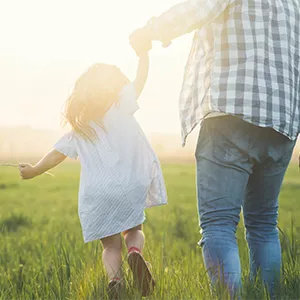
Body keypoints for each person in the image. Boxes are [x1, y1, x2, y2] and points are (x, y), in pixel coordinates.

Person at [130, 0, 300, 298]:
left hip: (231, 112)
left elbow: (196, 9)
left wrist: (149, 31)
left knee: (219, 223)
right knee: (263, 223)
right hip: (282, 120)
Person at [18, 51, 167, 299]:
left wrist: (34, 170)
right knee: (133, 229)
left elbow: (57, 154)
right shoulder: (123, 105)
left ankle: (115, 279)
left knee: (109, 244)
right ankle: (135, 252)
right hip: (129, 185)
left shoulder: (81, 127)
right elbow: (141, 79)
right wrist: (143, 54)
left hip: (98, 193)